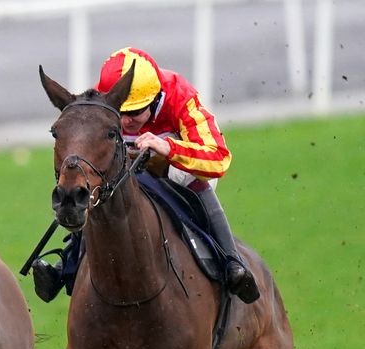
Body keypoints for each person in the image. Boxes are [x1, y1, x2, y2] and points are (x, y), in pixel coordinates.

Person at [32, 46, 259, 304]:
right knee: (95, 187)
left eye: (136, 112)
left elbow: (219, 158)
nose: (127, 121)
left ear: (155, 99)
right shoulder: (104, 98)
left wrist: (169, 149)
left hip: (176, 167)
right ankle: (68, 265)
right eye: (123, 113)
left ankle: (230, 261)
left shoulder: (179, 96)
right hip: (124, 171)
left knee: (182, 177)